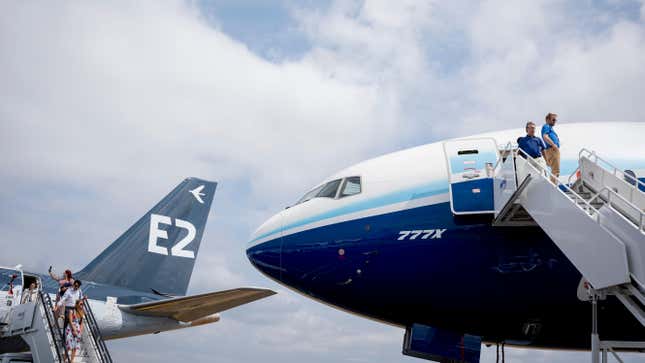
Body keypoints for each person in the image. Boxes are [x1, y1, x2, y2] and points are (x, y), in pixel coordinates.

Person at [542, 113, 560, 183]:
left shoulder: (549, 127)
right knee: (556, 170)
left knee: (555, 170)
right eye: (553, 119)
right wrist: (553, 145)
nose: (555, 121)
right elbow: (545, 136)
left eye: (555, 120)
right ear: (547, 119)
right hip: (552, 149)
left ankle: (554, 185)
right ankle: (553, 186)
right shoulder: (546, 126)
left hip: (552, 149)